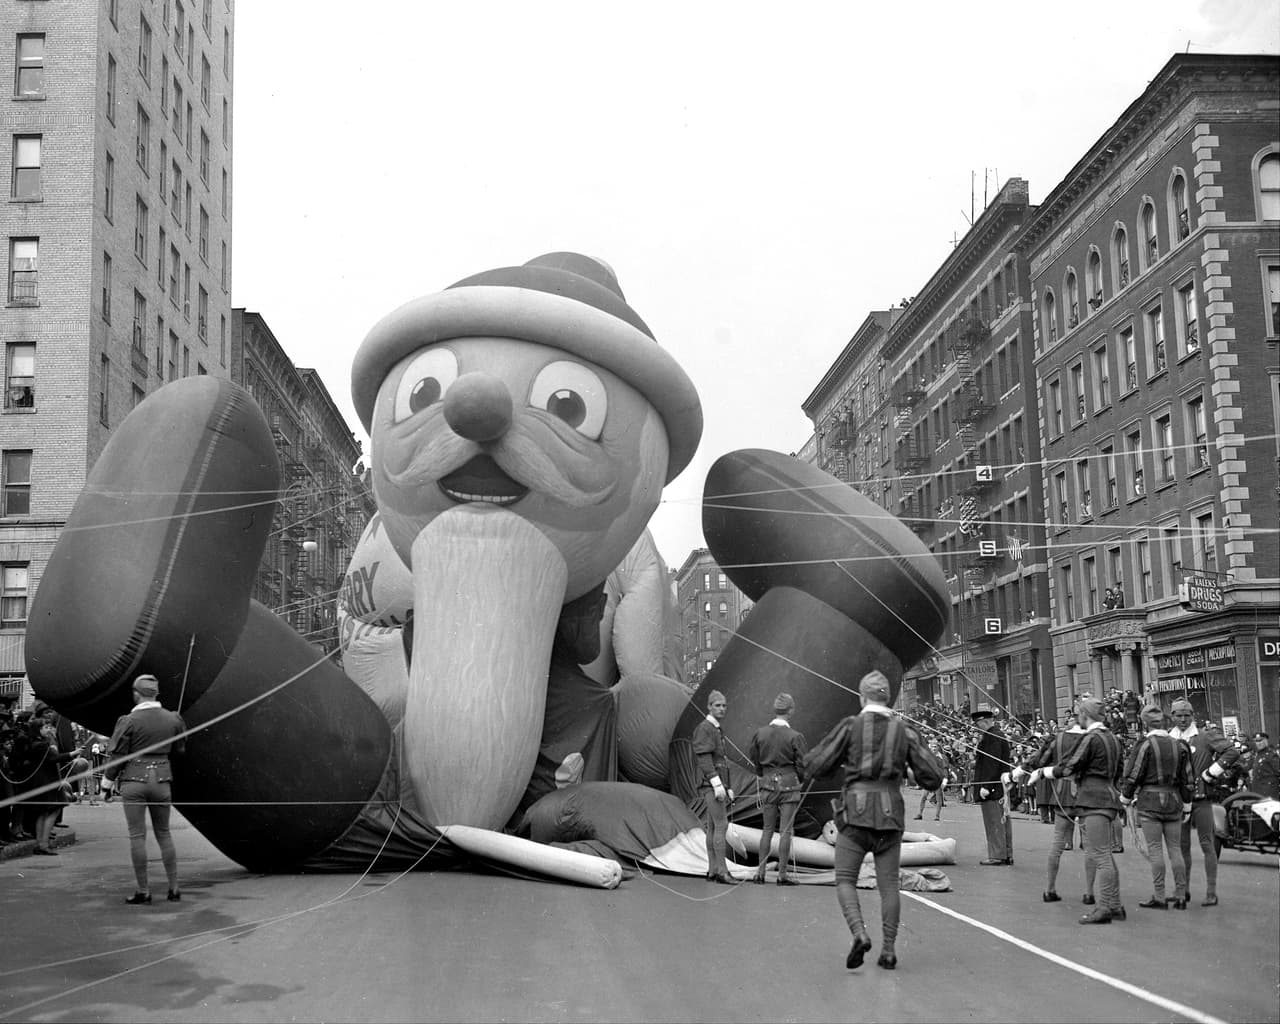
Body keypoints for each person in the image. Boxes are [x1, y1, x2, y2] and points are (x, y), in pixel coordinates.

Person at [802, 670, 943, 971]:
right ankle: (889, 950)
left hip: (855, 814)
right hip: (891, 815)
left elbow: (815, 765)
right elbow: (933, 777)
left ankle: (859, 933)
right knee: (889, 885)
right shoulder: (903, 730)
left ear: (861, 697)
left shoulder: (850, 726)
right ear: (888, 698)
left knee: (845, 879)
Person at [1035, 696, 1126, 924]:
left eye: (1079, 715)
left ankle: (1104, 908)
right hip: (1109, 797)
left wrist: (1043, 772)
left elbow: (1070, 766)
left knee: (1101, 855)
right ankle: (1115, 905)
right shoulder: (1113, 738)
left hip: (1093, 799)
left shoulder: (1091, 738)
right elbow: (1119, 770)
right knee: (1105, 854)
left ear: (1085, 715)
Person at [101, 674, 187, 904]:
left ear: (136, 694)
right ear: (156, 693)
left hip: (134, 780)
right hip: (162, 779)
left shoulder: (128, 720)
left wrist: (106, 785)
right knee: (164, 833)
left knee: (137, 836)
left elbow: (118, 756)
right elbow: (180, 749)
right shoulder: (173, 719)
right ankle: (174, 888)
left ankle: (144, 891)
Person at [1120, 705, 1193, 910]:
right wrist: (1187, 804)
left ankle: (1159, 895)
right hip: (1174, 801)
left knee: (1155, 849)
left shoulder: (1145, 745)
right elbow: (1188, 778)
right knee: (1175, 849)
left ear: (1145, 723)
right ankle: (1180, 895)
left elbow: (1134, 774)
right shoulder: (1180, 745)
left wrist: (1125, 797)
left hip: (1150, 802)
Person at [1168, 699, 1240, 907]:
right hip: (1179, 800)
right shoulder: (1169, 738)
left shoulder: (1205, 736)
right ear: (1172, 717)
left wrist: (1211, 772)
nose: (1183, 719)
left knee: (1207, 844)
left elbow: (1232, 751)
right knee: (1181, 847)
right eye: (1178, 715)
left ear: (1193, 716)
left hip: (1202, 799)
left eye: (1187, 715)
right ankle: (1182, 890)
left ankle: (1211, 892)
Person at [1014, 715, 1092, 904]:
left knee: (1057, 844)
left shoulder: (1059, 738)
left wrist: (1019, 770)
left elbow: (1039, 759)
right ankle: (1089, 893)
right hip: (1085, 793)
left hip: (1062, 792)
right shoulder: (1091, 738)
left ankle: (1050, 889)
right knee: (1090, 846)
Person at [747, 692, 807, 886]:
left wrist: (761, 774)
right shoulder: (796, 736)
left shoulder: (760, 733)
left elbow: (754, 758)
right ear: (791, 711)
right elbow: (802, 764)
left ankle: (760, 873)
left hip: (767, 785)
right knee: (785, 831)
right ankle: (782, 875)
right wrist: (801, 779)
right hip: (789, 786)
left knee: (767, 830)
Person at [9, 716, 81, 854]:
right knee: (53, 810)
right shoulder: (41, 745)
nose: (48, 730)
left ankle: (41, 843)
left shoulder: (34, 742)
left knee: (43, 813)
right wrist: (73, 754)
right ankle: (43, 844)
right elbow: (53, 758)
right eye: (45, 727)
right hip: (47, 781)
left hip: (41, 781)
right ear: (38, 729)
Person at [691, 689, 737, 885]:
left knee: (712, 826)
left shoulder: (715, 728)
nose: (721, 709)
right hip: (711, 784)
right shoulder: (706, 728)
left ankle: (712, 870)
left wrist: (727, 786)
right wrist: (717, 783)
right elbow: (704, 758)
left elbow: (719, 760)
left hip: (716, 783)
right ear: (709, 707)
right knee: (721, 825)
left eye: (724, 705)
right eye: (717, 705)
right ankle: (722, 871)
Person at [971, 704, 1013, 865]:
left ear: (985, 722)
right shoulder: (997, 734)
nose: (977, 728)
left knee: (994, 821)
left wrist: (986, 786)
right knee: (1003, 820)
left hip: (992, 787)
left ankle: (997, 855)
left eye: (978, 724)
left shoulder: (991, 737)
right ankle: (1006, 853)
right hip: (999, 785)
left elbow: (991, 763)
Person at [914, 741, 950, 822]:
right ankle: (920, 814)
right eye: (932, 746)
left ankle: (937, 816)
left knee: (938, 799)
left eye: (935, 746)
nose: (933, 748)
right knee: (923, 797)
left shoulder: (942, 757)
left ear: (938, 747)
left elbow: (945, 770)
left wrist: (944, 782)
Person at [1251, 732, 1280, 801]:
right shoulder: (1258, 754)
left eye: (1260, 740)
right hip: (1258, 791)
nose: (1258, 743)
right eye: (1256, 741)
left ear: (1266, 741)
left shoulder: (1271, 754)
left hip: (1269, 792)